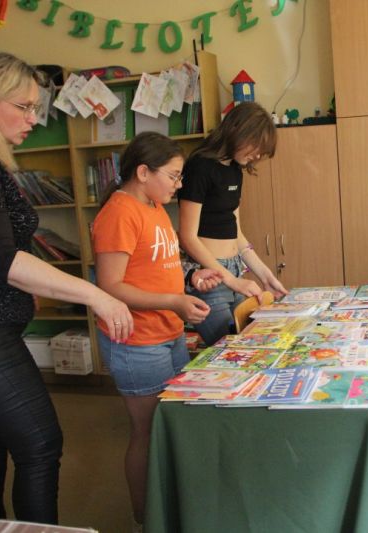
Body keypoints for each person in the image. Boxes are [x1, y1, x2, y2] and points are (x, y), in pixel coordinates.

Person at [0, 52, 134, 524]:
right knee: (40, 443)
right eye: (25, 107)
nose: (34, 119)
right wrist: (97, 295)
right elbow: (3, 259)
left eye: (37, 108)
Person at [91, 131, 221, 531]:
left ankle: (169, 508)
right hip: (137, 341)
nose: (178, 185)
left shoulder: (155, 207)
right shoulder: (119, 213)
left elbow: (158, 265)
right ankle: (145, 519)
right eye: (174, 176)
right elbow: (111, 287)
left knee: (169, 427)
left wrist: (191, 278)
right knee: (147, 432)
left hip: (168, 333)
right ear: (144, 172)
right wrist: (174, 301)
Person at [178, 102, 288, 346]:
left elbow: (236, 232)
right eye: (256, 147)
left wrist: (265, 274)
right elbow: (187, 237)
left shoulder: (235, 170)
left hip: (234, 268)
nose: (257, 156)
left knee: (248, 343)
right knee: (232, 349)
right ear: (238, 131)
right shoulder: (200, 166)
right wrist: (230, 279)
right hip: (210, 276)